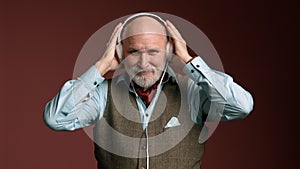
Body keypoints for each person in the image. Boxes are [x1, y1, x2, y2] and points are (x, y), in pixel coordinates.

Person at [44, 12, 254, 169]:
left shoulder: (192, 92)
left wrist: (189, 59)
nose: (144, 62)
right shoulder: (102, 95)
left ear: (170, 52)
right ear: (120, 52)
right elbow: (55, 118)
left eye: (154, 51)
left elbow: (240, 107)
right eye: (134, 51)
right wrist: (101, 66)